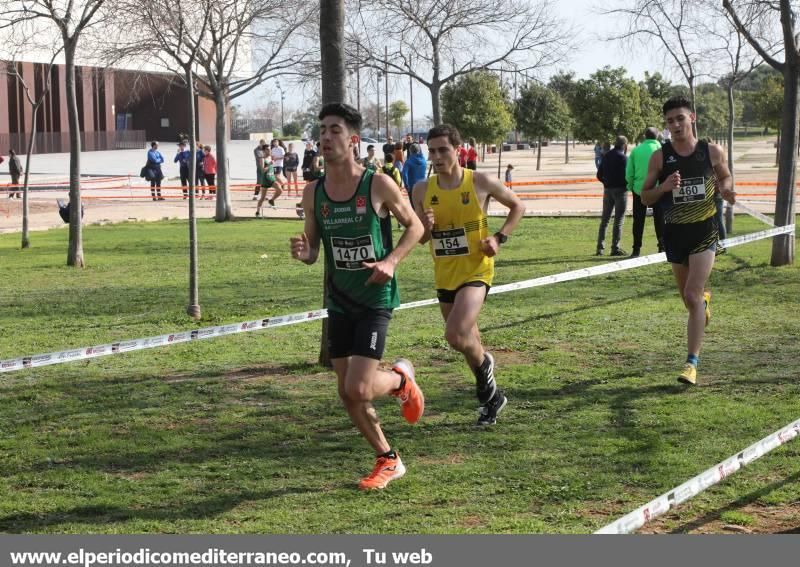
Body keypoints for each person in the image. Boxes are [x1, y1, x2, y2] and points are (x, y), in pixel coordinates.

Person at [290, 102, 425, 490]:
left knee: (360, 388)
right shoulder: (313, 191)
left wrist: (393, 261)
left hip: (374, 298)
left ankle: (400, 380)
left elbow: (414, 227)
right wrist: (305, 254)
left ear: (352, 141)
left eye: (334, 130)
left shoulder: (377, 184)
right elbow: (315, 250)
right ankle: (389, 459)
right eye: (322, 130)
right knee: (347, 394)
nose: (325, 137)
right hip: (339, 301)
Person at [412, 124, 525, 426]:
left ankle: (486, 365)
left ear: (458, 150)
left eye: (442, 150)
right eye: (431, 151)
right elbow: (420, 238)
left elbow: (518, 206)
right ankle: (492, 400)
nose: (436, 156)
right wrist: (425, 225)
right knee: (466, 340)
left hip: (477, 269)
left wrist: (499, 238)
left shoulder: (480, 181)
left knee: (455, 334)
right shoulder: (422, 190)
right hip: (444, 272)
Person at [640, 96, 736, 385]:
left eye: (680, 118)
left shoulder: (711, 151)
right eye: (670, 121)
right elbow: (645, 195)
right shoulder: (660, 156)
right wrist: (664, 187)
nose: (676, 125)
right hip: (675, 233)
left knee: (693, 295)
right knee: (690, 300)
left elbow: (726, 176)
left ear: (691, 118)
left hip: (704, 231)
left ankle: (691, 364)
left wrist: (727, 190)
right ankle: (703, 306)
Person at [626, 128, 665, 257]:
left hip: (639, 189)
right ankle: (662, 247)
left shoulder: (636, 151)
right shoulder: (663, 150)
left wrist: (630, 186)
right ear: (658, 136)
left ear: (644, 136)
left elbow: (629, 172)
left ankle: (636, 249)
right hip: (658, 190)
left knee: (638, 220)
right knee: (659, 219)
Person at [596, 135, 629, 256]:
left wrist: (606, 182)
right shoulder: (624, 158)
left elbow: (599, 175)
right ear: (624, 145)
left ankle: (600, 248)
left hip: (608, 190)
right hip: (621, 191)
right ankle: (615, 248)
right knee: (618, 220)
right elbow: (628, 176)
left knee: (605, 220)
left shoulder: (606, 156)